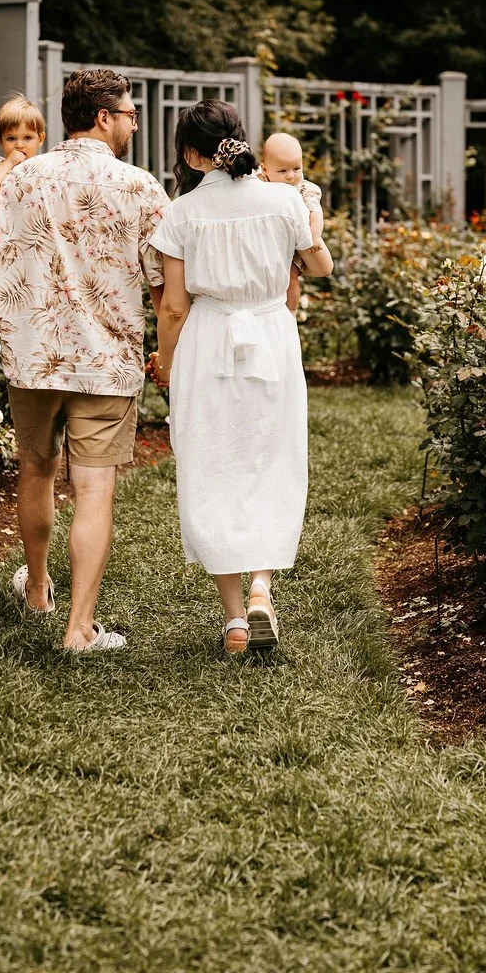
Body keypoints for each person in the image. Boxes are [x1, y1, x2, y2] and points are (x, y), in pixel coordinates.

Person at [0, 69, 168, 653]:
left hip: (32, 356)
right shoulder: (140, 187)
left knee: (36, 471)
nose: (131, 121)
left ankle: (37, 592)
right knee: (94, 488)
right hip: (106, 362)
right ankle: (79, 630)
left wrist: (29, 282)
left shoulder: (22, 179)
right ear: (104, 117)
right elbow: (162, 280)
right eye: (128, 112)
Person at [148, 101, 333, 654]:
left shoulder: (182, 213)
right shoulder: (283, 201)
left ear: (189, 153)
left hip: (209, 342)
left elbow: (174, 307)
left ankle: (233, 619)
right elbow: (319, 267)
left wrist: (164, 360)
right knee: (271, 457)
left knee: (213, 464)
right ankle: (261, 587)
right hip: (271, 337)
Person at [0, 94, 47, 376]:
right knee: (2, 293)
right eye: (11, 138)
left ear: (40, 138)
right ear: (1, 142)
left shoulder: (45, 170)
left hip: (36, 248)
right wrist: (9, 164)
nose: (19, 145)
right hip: (8, 249)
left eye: (27, 138)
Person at [259, 132, 325, 314]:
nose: (291, 176)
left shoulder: (305, 189)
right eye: (282, 171)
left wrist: (315, 235)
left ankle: (290, 312)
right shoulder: (259, 181)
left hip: (293, 244)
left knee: (290, 276)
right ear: (264, 170)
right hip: (265, 242)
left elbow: (315, 213)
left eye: (296, 168)